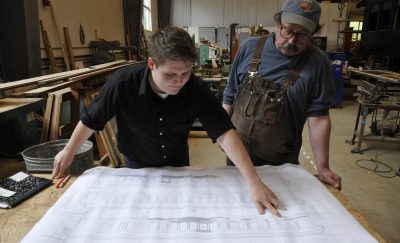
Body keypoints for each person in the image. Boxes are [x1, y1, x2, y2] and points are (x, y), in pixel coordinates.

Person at [51, 26, 281, 216]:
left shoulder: (195, 88)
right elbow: (91, 120)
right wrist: (69, 151)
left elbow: (224, 132)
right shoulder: (123, 84)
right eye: (171, 74)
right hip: (136, 166)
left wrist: (254, 182)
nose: (179, 81)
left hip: (178, 167)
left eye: (186, 73)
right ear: (152, 64)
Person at [223, 0, 342, 189]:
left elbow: (319, 118)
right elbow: (229, 95)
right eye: (288, 30)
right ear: (278, 23)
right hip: (237, 156)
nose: (292, 40)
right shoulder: (249, 47)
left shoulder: (318, 63)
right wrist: (222, 135)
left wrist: (323, 167)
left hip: (281, 162)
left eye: (303, 35)